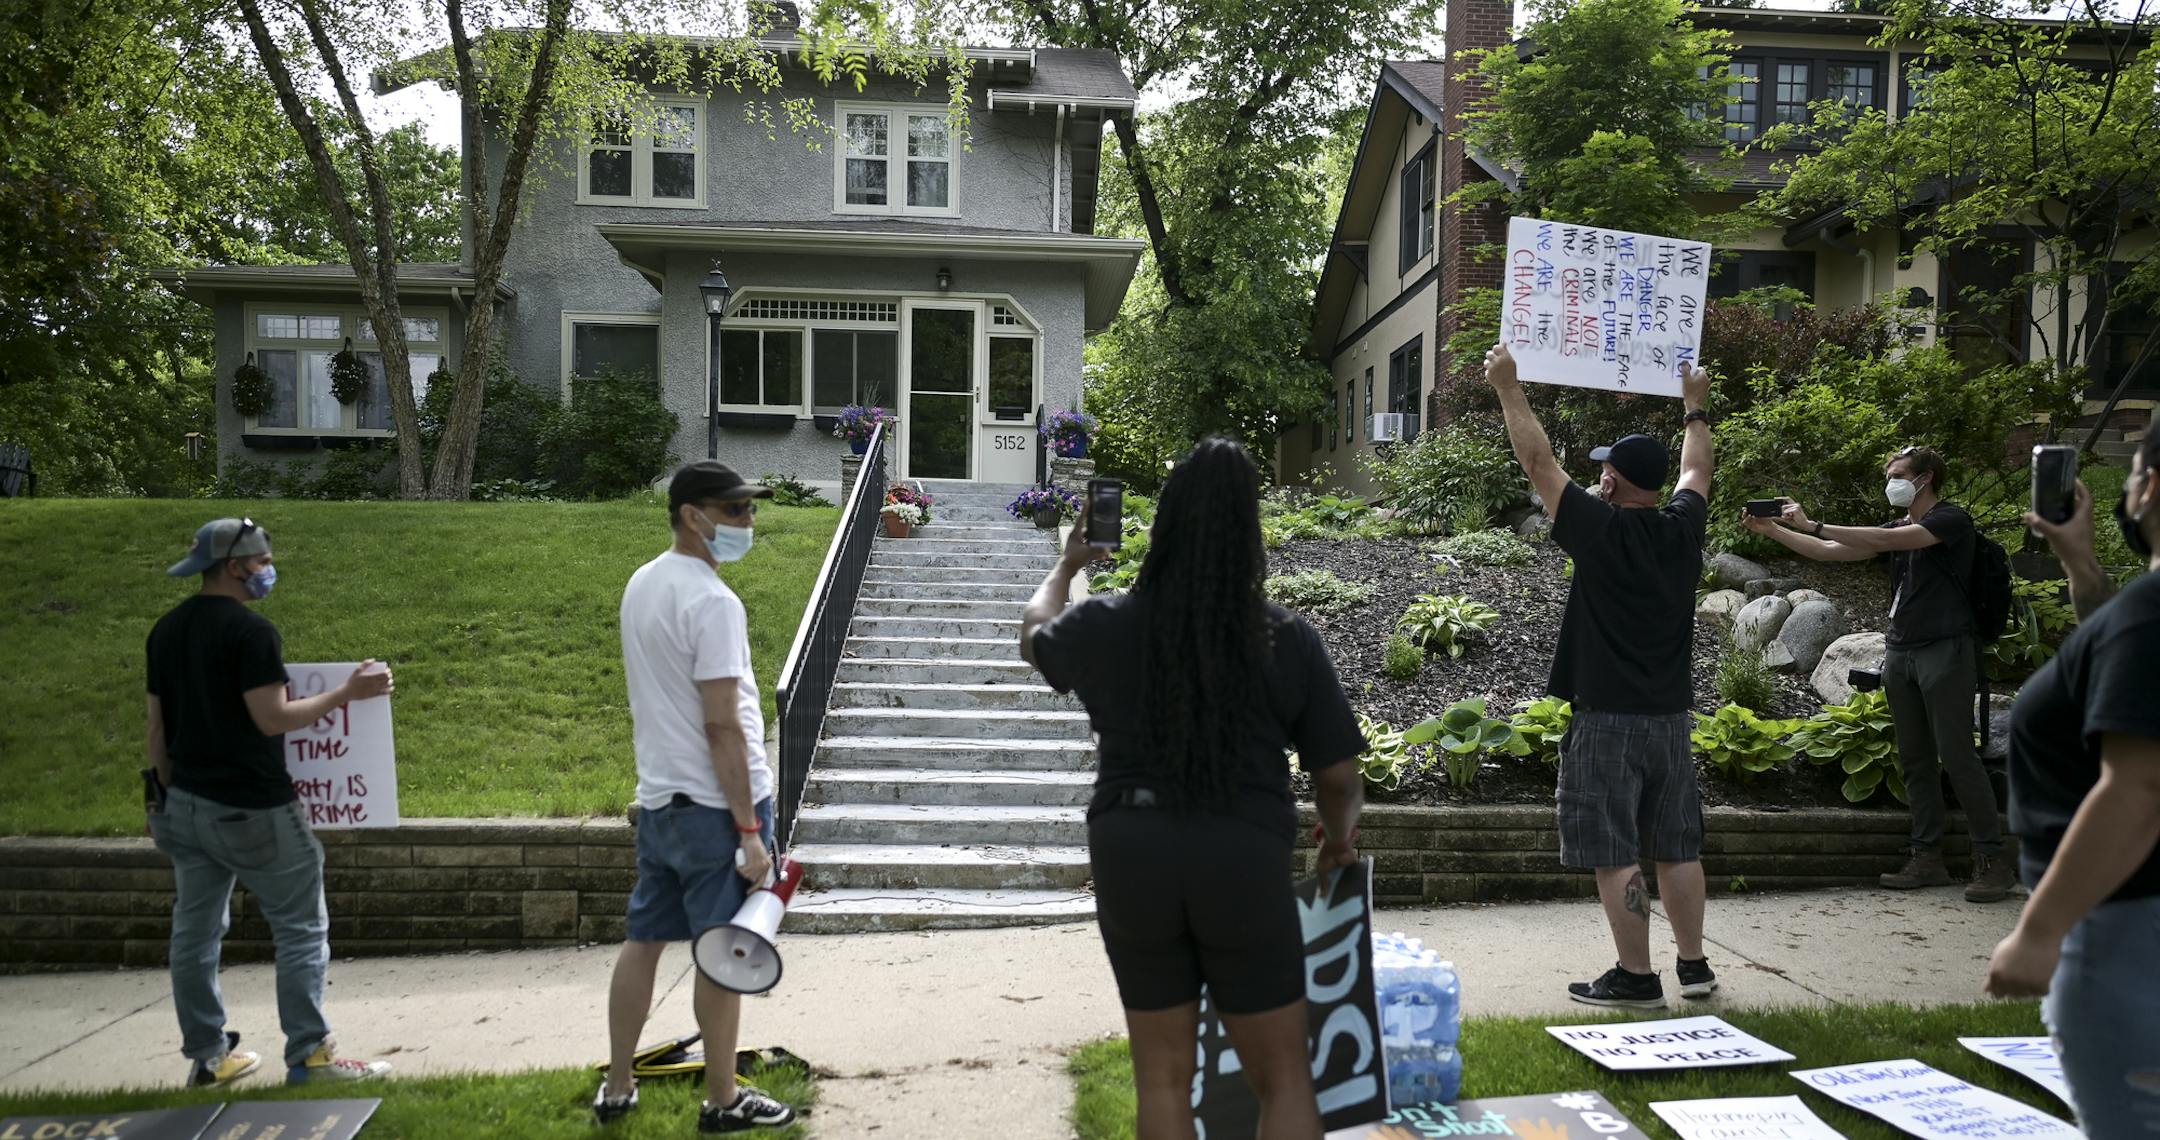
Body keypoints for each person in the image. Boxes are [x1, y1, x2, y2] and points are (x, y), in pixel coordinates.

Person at [1020, 437, 1368, 1140]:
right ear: (1248, 532)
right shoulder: (1284, 638)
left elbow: (1033, 634)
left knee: (1163, 1075)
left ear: (1166, 524)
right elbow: (1337, 774)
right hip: (1241, 854)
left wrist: (1067, 563)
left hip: (1131, 847)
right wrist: (1337, 841)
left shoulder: (1105, 622)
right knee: (1284, 1076)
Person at [1484, 344, 1717, 1009]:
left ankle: (1636, 978)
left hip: (1606, 720)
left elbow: (1538, 461)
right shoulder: (1682, 531)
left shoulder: (1598, 530)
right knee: (1677, 844)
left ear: (1611, 482)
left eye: (1604, 472)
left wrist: (1507, 387)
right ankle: (1694, 967)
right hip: (1671, 719)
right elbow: (1696, 469)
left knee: (1615, 850)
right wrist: (1694, 407)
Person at [146, 517, 394, 1087]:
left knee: (196, 933)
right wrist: (347, 693)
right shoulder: (252, 633)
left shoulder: (166, 631)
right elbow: (273, 718)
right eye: (261, 563)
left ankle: (208, 1059)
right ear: (235, 567)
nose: (267, 571)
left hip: (182, 804)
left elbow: (157, 731)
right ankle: (311, 1057)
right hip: (252, 808)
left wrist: (159, 801)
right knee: (302, 927)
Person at [596, 461, 795, 1133]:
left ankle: (619, 1085)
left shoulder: (643, 583)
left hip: (660, 800)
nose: (748, 522)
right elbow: (722, 724)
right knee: (722, 948)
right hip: (714, 808)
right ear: (693, 515)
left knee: (644, 939)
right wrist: (748, 830)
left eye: (750, 510)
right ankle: (722, 1097)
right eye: (735, 510)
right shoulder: (712, 601)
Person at [1741, 446, 2015, 903]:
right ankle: (1926, 856)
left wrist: (1812, 522)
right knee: (1915, 757)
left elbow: (1883, 542)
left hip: (1946, 648)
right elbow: (1827, 552)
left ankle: (1992, 859)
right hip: (1901, 650)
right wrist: (1774, 530)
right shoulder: (1895, 527)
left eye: (1898, 474)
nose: (1892, 482)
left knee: (1957, 754)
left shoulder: (1950, 521)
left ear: (1925, 478)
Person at [1985, 433, 2160, 1134]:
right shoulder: (2141, 617)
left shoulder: (2150, 616)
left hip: (2124, 925)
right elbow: (2126, 676)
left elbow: (2140, 789)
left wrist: (2040, 930)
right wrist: (2081, 564)